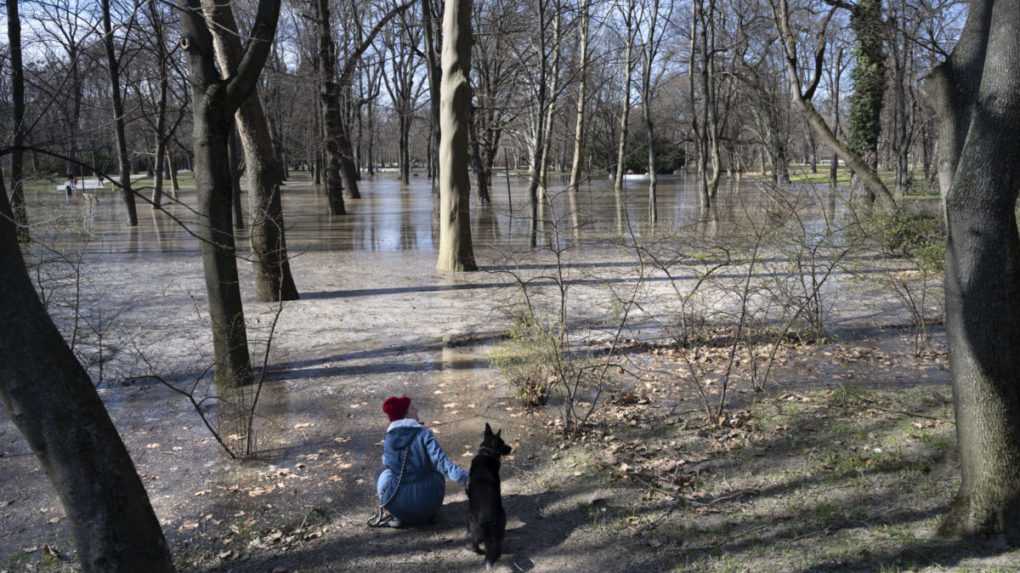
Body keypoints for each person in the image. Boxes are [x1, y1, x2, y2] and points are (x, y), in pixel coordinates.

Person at [373, 396, 468, 527]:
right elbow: (443, 463)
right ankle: (428, 514)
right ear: (406, 414)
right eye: (412, 408)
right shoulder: (424, 434)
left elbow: (388, 464)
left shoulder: (389, 438)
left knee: (382, 473)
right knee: (436, 471)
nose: (416, 410)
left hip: (400, 508)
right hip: (427, 504)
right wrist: (467, 479)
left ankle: (398, 516)